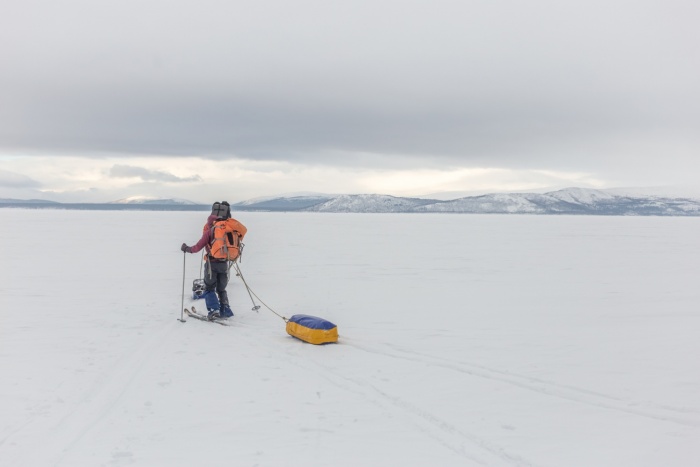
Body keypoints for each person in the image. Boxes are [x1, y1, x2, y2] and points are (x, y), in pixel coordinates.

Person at [181, 201, 246, 319]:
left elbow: (196, 248)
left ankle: (214, 310)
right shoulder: (226, 229)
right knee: (221, 289)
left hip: (212, 264)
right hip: (224, 264)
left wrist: (186, 248)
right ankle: (225, 309)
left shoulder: (209, 231)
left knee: (209, 288)